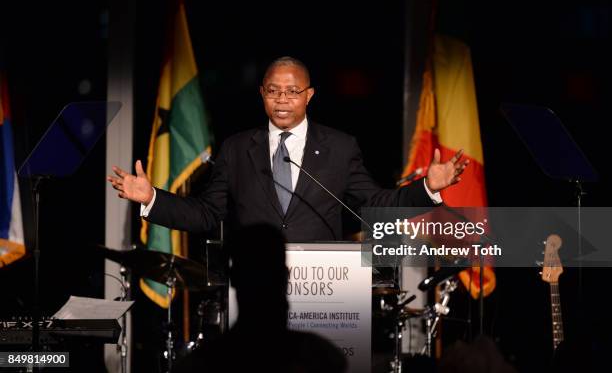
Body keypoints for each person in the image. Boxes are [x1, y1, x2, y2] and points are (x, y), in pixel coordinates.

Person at [107, 56, 468, 241]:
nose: (282, 99)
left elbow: (374, 205)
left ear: (309, 96)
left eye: (292, 91)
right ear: (262, 93)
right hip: (254, 289)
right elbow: (206, 214)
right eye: (273, 90)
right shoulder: (235, 149)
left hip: (327, 290)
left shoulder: (341, 148)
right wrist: (151, 197)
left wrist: (428, 189)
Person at [171, 224, 348, 372]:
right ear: (285, 276)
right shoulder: (322, 358)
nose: (265, 282)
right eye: (262, 273)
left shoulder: (200, 364)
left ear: (234, 278)